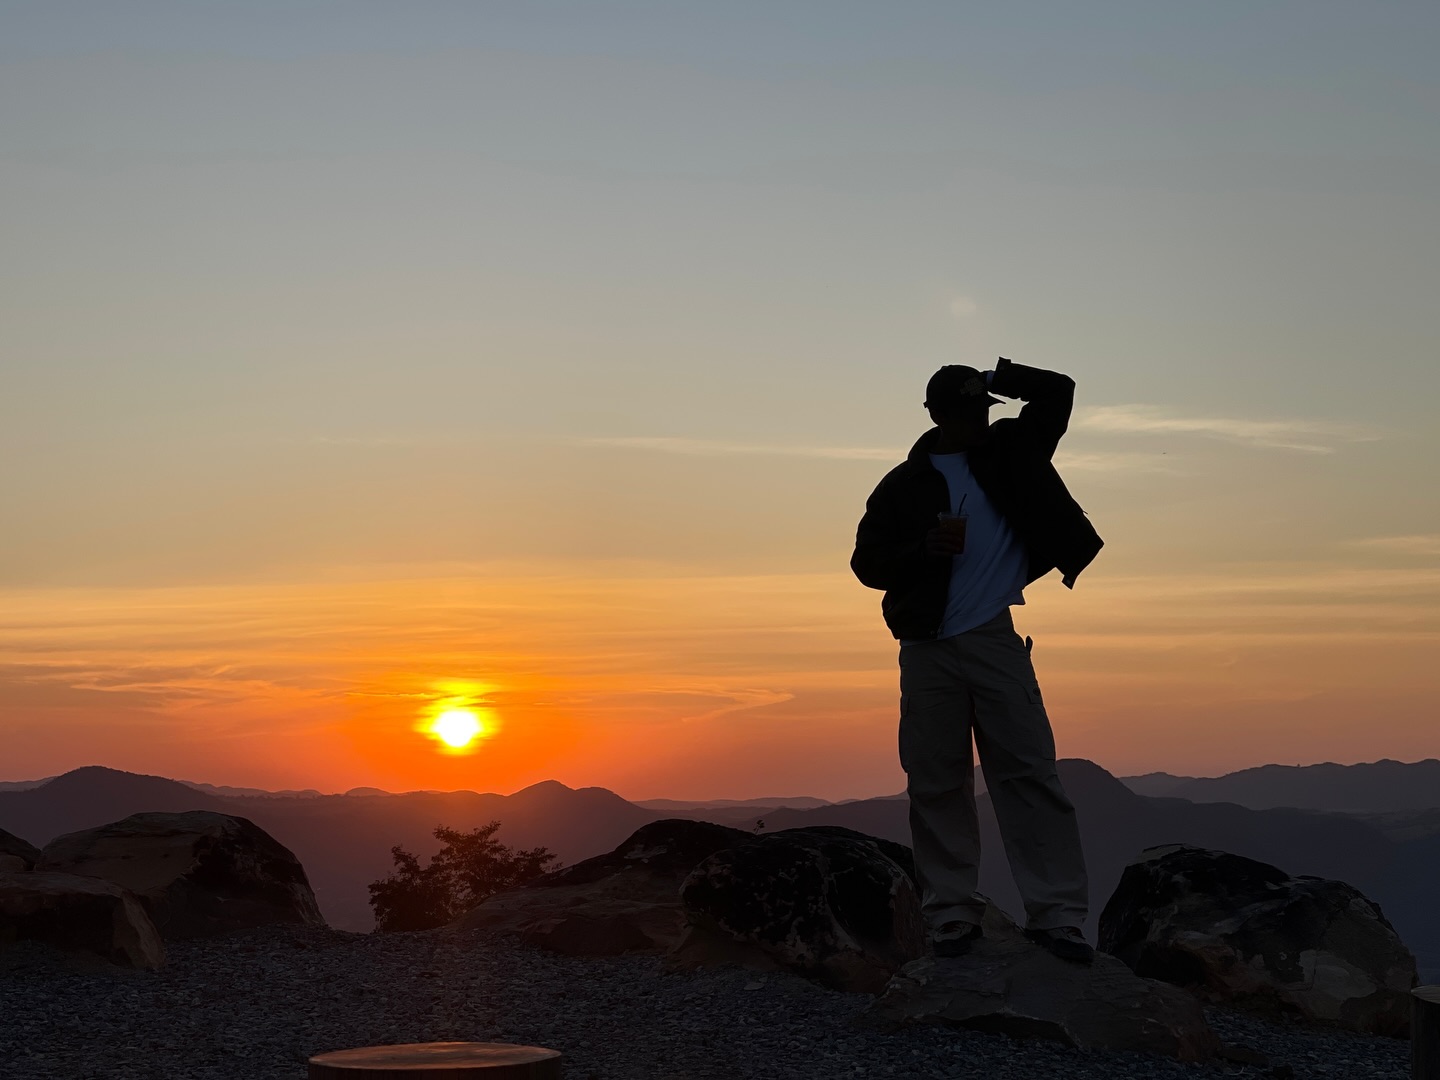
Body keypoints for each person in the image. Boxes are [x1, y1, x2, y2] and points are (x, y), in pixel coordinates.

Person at [850, 357, 1103, 963]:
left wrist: (994, 379)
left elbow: (1058, 391)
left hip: (994, 636)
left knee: (1028, 774)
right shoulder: (901, 485)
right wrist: (922, 549)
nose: (978, 421)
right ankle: (951, 916)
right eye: (965, 411)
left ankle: (1058, 918)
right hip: (925, 647)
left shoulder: (1013, 449)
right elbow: (866, 564)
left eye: (981, 409)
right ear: (936, 415)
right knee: (936, 780)